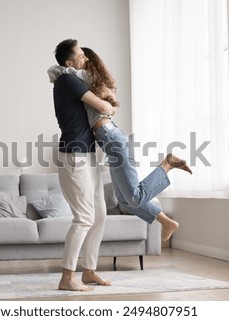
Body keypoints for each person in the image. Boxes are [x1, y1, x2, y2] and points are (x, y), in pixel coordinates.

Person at [48, 47, 192, 243]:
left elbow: (57, 72)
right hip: (111, 138)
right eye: (79, 55)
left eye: (83, 56)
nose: (81, 59)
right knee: (124, 200)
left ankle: (167, 164)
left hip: (111, 137)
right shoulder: (93, 79)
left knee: (133, 197)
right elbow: (113, 105)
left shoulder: (84, 75)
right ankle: (166, 221)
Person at [50, 39, 117, 292]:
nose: (84, 58)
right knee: (84, 217)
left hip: (89, 154)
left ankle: (88, 271)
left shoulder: (73, 79)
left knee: (100, 214)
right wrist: (108, 104)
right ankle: (67, 277)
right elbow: (103, 107)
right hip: (73, 155)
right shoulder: (67, 80)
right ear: (69, 62)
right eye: (80, 55)